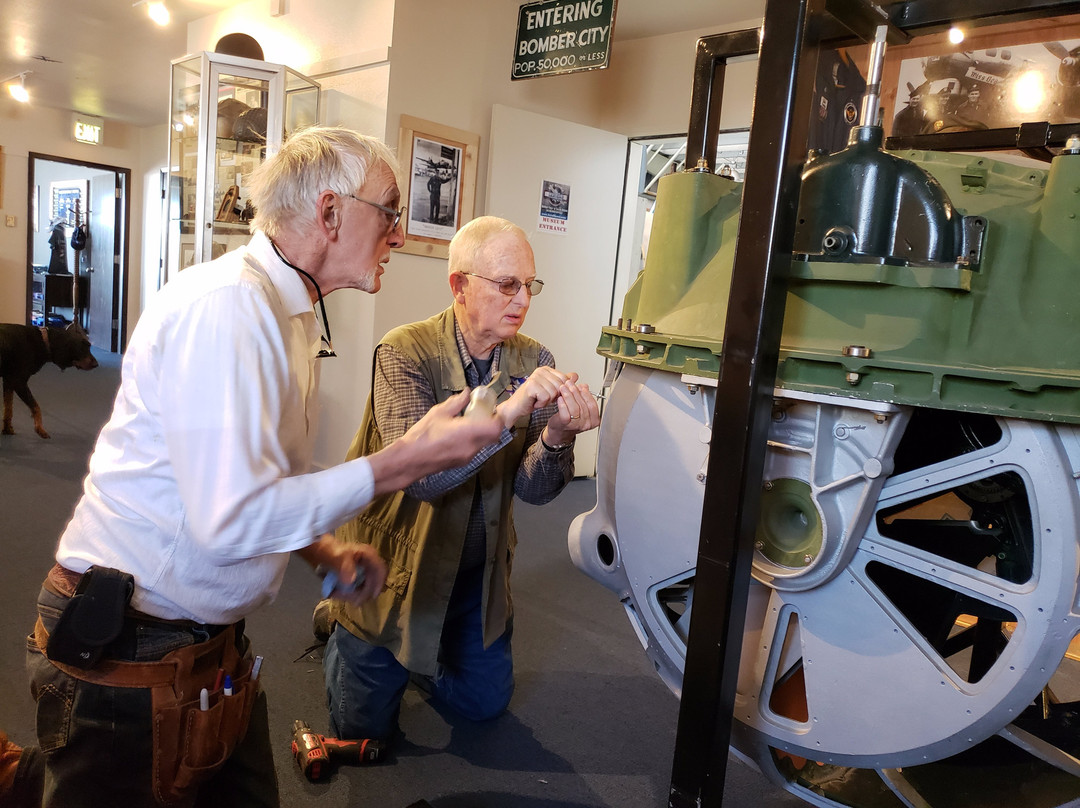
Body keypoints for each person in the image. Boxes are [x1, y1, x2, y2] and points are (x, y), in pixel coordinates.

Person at [24, 126, 505, 808]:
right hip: (128, 650)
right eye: (390, 212)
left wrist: (323, 551)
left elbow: (263, 475)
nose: (398, 235)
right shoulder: (228, 307)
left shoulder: (289, 311)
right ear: (331, 212)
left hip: (197, 647)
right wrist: (401, 461)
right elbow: (230, 519)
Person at [322, 215, 600, 744]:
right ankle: (340, 624)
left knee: (483, 705)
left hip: (477, 567)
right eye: (506, 284)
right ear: (459, 286)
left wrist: (558, 437)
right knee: (361, 730)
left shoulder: (533, 357)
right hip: (396, 565)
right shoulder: (403, 352)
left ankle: (428, 647)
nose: (522, 299)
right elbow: (422, 481)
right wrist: (512, 410)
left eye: (529, 285)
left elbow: (533, 491)